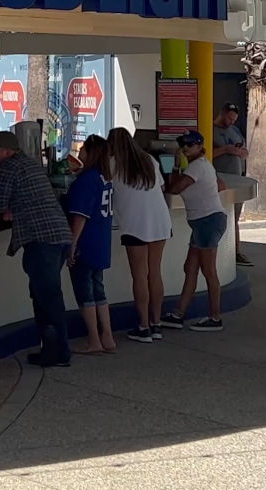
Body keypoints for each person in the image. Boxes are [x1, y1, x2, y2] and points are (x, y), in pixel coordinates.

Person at [0, 129, 74, 369]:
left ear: (6, 151)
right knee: (46, 295)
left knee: (46, 297)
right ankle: (52, 350)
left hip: (40, 238)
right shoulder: (30, 164)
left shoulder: (8, 168)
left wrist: (7, 209)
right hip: (58, 234)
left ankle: (58, 353)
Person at [106, 127, 172, 343]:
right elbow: (161, 189)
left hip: (135, 225)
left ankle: (143, 326)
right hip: (160, 221)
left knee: (139, 276)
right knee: (155, 272)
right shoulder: (149, 160)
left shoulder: (112, 165)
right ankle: (156, 323)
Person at [168, 131, 227, 331]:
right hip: (203, 222)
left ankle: (215, 316)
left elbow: (174, 188)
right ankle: (179, 314)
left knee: (208, 270)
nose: (185, 148)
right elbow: (220, 185)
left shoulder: (196, 167)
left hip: (207, 221)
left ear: (199, 146)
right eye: (182, 144)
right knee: (190, 268)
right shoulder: (202, 165)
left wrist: (175, 165)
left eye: (189, 144)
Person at [64, 134, 116, 355]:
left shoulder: (86, 181)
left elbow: (80, 217)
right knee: (99, 289)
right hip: (101, 241)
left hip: (86, 241)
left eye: (84, 148)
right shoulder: (105, 179)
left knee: (85, 292)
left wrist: (72, 245)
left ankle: (94, 339)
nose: (80, 151)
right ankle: (108, 337)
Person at [212, 105, 256, 268]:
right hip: (219, 180)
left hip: (236, 178)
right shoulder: (210, 130)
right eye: (229, 118)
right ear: (221, 113)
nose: (231, 122)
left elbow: (244, 151)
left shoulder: (235, 131)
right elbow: (206, 153)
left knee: (234, 217)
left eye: (234, 119)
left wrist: (241, 152)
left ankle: (236, 251)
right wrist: (225, 149)